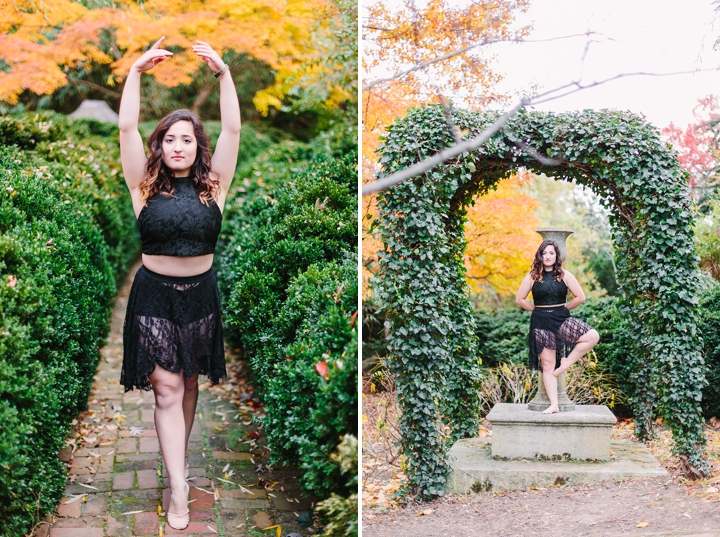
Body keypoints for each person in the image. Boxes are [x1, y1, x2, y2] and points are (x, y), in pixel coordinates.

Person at [118, 36, 241, 530]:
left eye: (186, 139)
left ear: (197, 146)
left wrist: (223, 73)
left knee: (188, 385)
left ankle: (177, 463)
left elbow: (233, 127)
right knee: (167, 389)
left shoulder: (216, 185)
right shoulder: (142, 185)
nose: (177, 146)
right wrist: (135, 73)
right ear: (160, 145)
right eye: (170, 139)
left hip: (201, 299)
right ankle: (178, 489)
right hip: (153, 297)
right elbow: (126, 125)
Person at [515, 240, 600, 414]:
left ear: (556, 256)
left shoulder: (565, 275)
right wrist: (537, 310)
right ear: (540, 255)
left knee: (592, 336)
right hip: (541, 322)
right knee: (547, 365)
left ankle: (566, 362)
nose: (547, 256)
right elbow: (520, 299)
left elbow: (580, 297)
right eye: (544, 253)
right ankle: (554, 405)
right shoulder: (532, 276)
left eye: (551, 253)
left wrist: (564, 309)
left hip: (560, 318)